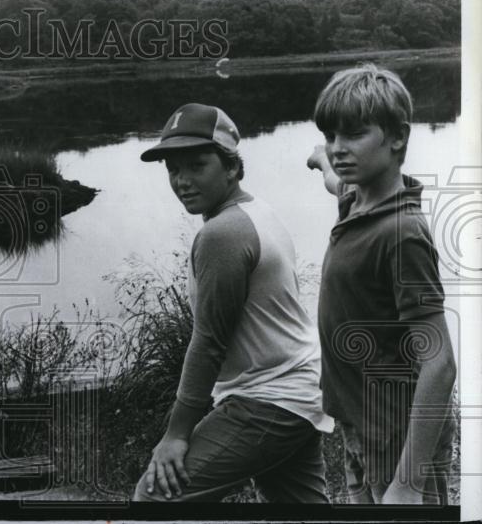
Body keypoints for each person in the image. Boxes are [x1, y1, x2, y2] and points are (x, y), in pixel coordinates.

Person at [133, 103, 333, 503]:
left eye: (196, 165)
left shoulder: (223, 233)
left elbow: (208, 342)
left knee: (156, 497)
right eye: (173, 168)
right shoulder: (255, 212)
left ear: (230, 167)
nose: (182, 181)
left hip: (270, 398)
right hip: (299, 388)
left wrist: (176, 435)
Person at [306, 64, 456, 505]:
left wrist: (408, 483)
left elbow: (440, 363)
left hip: (395, 432)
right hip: (359, 424)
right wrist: (320, 158)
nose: (338, 149)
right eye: (332, 136)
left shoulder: (402, 233)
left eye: (352, 134)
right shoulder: (358, 197)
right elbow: (336, 182)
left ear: (397, 138)